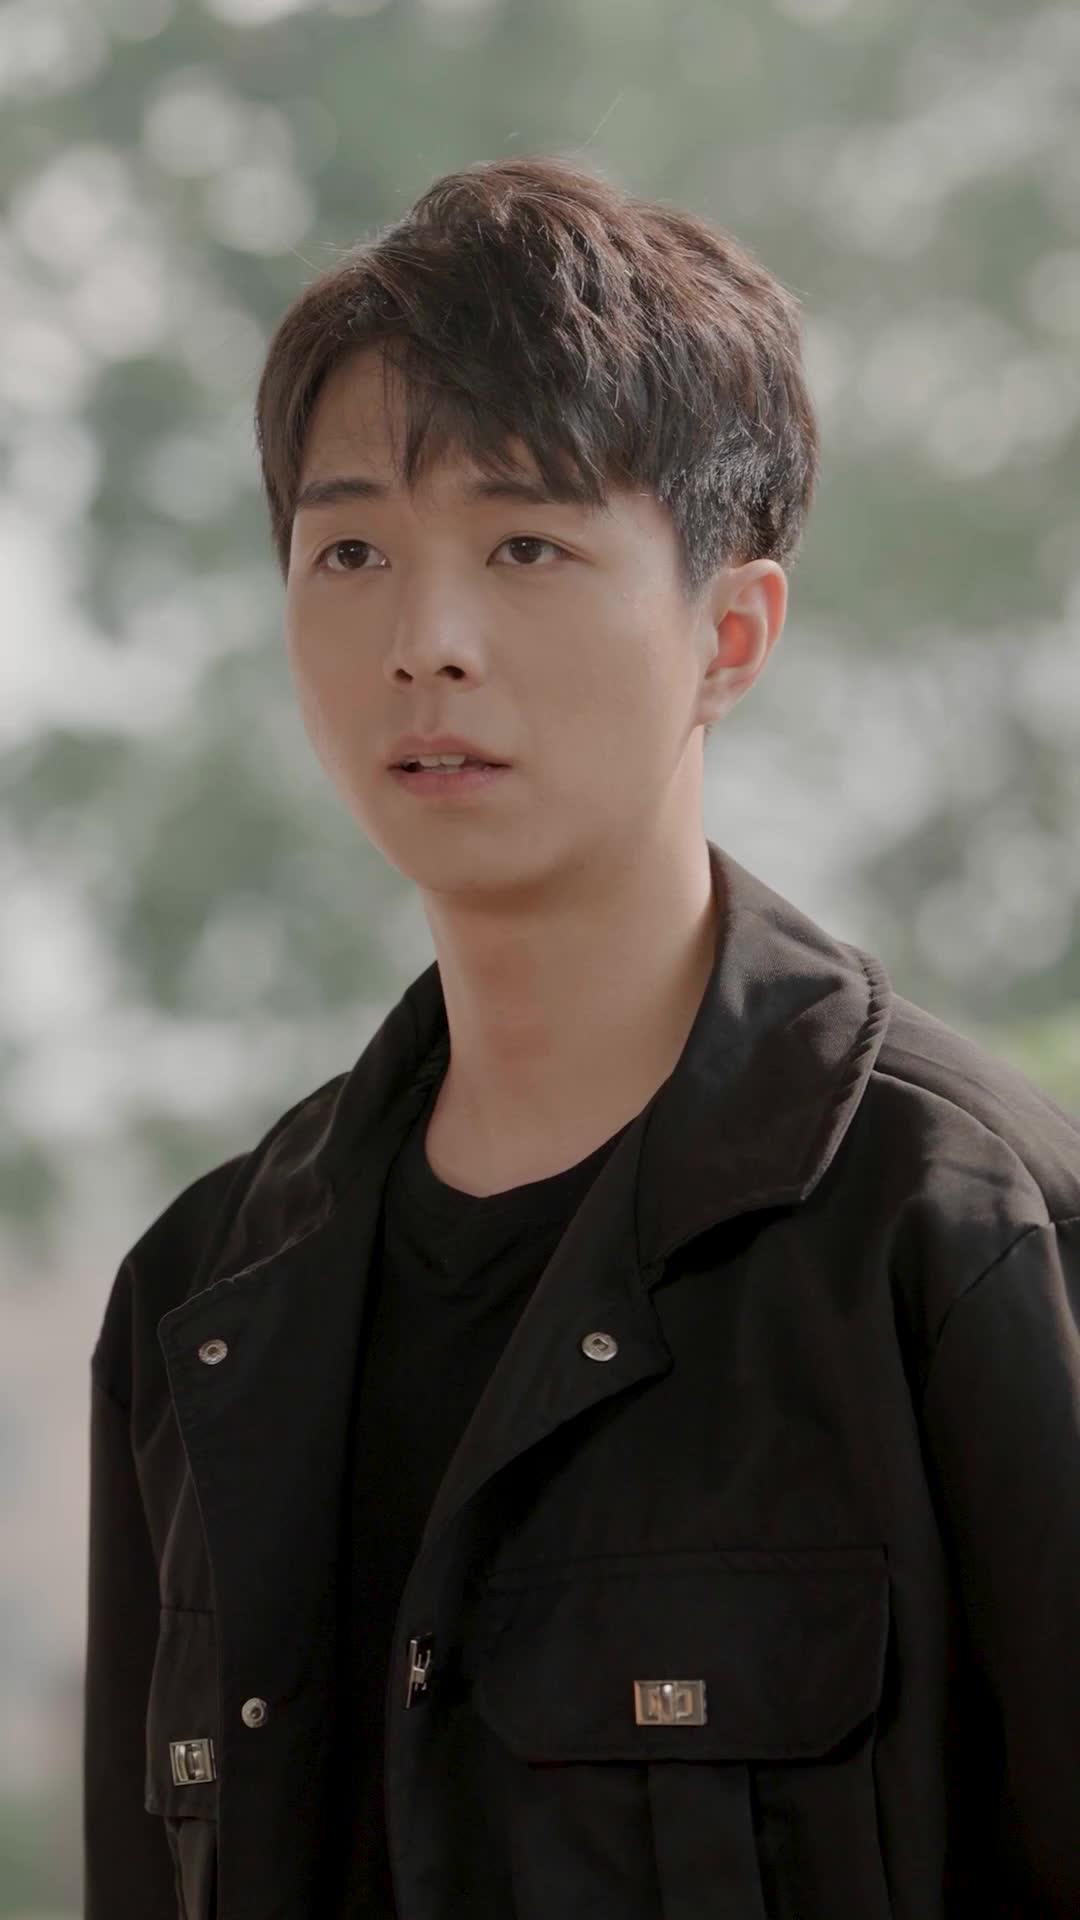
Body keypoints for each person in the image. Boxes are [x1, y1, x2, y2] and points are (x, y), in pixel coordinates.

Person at [83, 153, 1080, 1920]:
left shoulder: (957, 1234)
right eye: (352, 550)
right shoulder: (198, 1302)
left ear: (731, 632)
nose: (426, 642)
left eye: (526, 544)